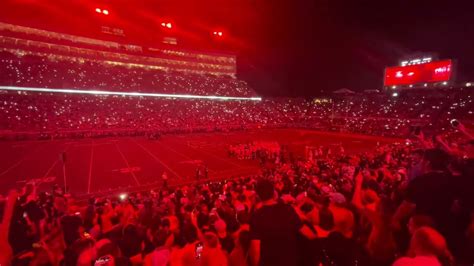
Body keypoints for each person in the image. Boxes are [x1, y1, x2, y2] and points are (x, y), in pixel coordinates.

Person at [249, 179, 315, 266]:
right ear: (273, 192)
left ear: (258, 195)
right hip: (291, 261)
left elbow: (256, 250)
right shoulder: (288, 209)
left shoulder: (256, 216)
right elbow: (308, 234)